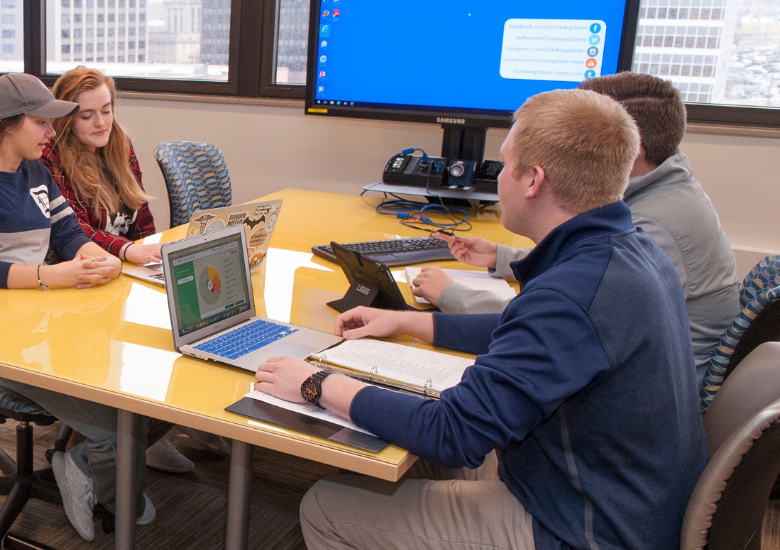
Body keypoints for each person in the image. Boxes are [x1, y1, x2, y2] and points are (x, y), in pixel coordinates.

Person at [255, 89, 707, 550]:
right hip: (631, 500)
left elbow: (451, 433)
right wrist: (409, 322)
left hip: (584, 528)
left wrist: (316, 383)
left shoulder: (572, 294)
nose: (500, 177)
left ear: (533, 179)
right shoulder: (629, 250)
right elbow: (521, 326)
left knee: (326, 506)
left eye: (506, 163)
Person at [0, 72, 163, 542]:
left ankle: (88, 468)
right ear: (10, 124)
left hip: (41, 321)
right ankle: (110, 498)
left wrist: (97, 256)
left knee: (149, 392)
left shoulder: (33, 171)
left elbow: (67, 233)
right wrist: (50, 276)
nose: (51, 134)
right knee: (115, 429)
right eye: (41, 123)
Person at [411, 72, 738, 390]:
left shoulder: (655, 229)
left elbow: (555, 323)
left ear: (627, 143)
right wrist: (505, 257)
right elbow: (585, 277)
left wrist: (451, 295)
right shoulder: (664, 191)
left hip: (630, 405)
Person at [42, 66, 230, 474]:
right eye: (86, 114)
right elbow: (73, 230)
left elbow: (139, 209)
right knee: (143, 340)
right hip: (82, 275)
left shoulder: (118, 142)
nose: (100, 122)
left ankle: (166, 423)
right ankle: (141, 436)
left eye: (106, 110)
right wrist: (129, 251)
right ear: (65, 119)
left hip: (125, 266)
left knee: (186, 316)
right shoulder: (51, 158)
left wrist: (151, 249)